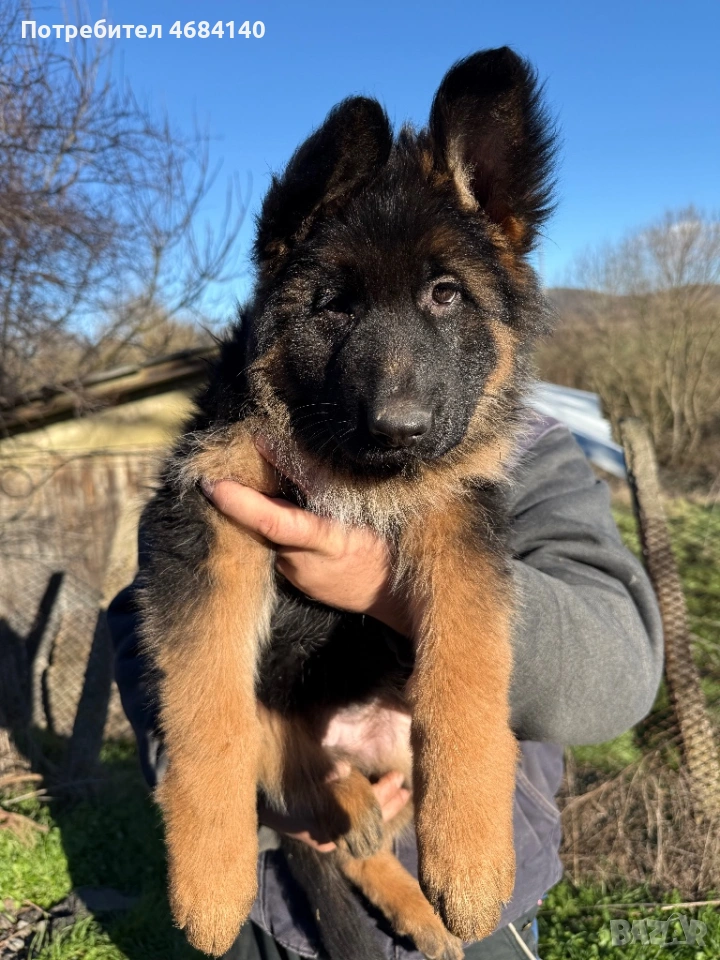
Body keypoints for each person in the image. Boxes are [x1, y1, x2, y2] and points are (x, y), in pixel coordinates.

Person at [108, 411, 664, 960]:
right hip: (260, 882)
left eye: (447, 311)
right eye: (335, 313)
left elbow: (618, 673)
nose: (394, 402)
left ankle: (387, 878)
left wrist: (387, 585)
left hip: (476, 888)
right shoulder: (228, 431)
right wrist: (262, 791)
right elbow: (150, 627)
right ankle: (361, 856)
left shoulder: (530, 449)